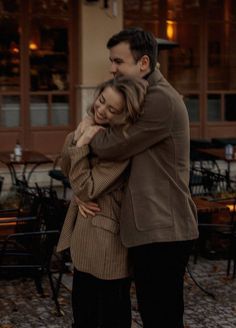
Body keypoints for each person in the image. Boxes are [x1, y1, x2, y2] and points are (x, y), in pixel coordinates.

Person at [77, 27, 199, 328]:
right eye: (111, 61)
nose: (112, 68)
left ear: (143, 64)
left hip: (163, 228)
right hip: (148, 227)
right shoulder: (143, 94)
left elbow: (114, 146)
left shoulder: (160, 100)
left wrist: (88, 128)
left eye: (118, 62)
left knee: (161, 317)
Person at [57, 75, 148, 328]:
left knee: (110, 317)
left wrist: (83, 144)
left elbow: (87, 188)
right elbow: (66, 168)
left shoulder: (120, 146)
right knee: (83, 315)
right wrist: (77, 136)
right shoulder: (91, 128)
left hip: (107, 245)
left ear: (124, 115)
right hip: (86, 236)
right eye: (101, 101)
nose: (101, 110)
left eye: (112, 109)